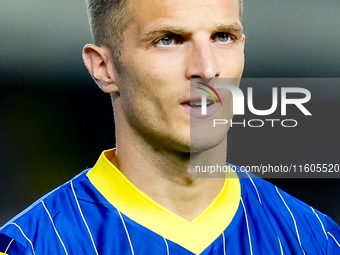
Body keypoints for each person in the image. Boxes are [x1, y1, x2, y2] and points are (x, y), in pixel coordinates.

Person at [0, 0, 339, 254]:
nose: (207, 68)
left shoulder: (316, 239)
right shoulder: (31, 244)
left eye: (223, 37)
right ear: (104, 68)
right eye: (169, 39)